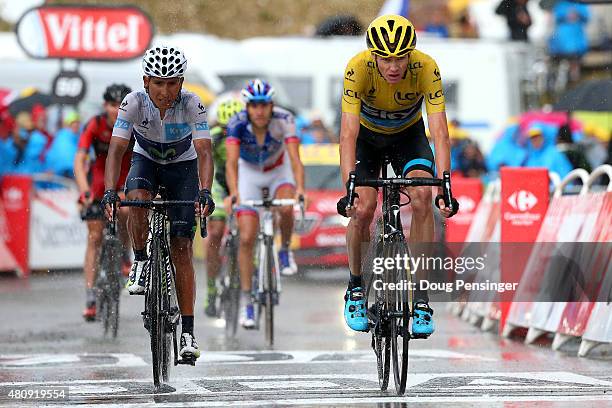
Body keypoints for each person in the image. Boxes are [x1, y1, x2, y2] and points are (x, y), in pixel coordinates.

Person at [336, 15, 455, 336]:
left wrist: (445, 182)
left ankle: (420, 297)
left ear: (410, 54)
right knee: (362, 208)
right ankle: (356, 287)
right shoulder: (357, 68)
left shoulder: (426, 67)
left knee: (421, 196)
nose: (393, 66)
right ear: (373, 56)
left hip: (408, 136)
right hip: (366, 139)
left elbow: (440, 132)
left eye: (400, 57)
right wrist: (349, 186)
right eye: (385, 58)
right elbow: (347, 134)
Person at [102, 46, 215, 362]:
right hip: (146, 162)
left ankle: (188, 333)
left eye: (172, 83)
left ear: (181, 82)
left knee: (181, 246)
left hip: (184, 168)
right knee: (136, 200)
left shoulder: (193, 104)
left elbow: (205, 152)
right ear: (146, 81)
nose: (166, 91)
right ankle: (140, 259)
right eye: (158, 83)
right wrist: (111, 190)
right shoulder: (133, 103)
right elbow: (116, 150)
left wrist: (205, 191)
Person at [225, 79, 306, 329]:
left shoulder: (285, 120)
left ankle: (284, 251)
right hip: (248, 173)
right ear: (247, 107)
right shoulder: (236, 123)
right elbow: (230, 163)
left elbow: (295, 159)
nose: (259, 111)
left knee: (285, 205)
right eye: (254, 106)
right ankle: (248, 302)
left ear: (272, 105)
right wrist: (235, 192)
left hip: (277, 170)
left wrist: (300, 189)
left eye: (264, 105)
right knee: (247, 237)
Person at [74, 84, 133, 321]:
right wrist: (84, 191)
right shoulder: (95, 124)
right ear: (104, 106)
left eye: (122, 105)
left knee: (128, 210)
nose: (117, 110)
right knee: (95, 237)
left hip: (125, 180)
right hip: (98, 184)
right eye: (112, 105)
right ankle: (90, 295)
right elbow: (79, 161)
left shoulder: (137, 125)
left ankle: (126, 254)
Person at [203, 97, 245, 317]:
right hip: (220, 184)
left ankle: (250, 272)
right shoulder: (214, 137)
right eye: (225, 128)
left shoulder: (248, 135)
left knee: (247, 230)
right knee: (216, 233)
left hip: (243, 183)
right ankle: (211, 289)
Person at [548, 0, 590, 83]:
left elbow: (587, 16)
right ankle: (567, 82)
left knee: (574, 63)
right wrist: (567, 15)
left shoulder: (579, 4)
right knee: (564, 66)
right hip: (563, 44)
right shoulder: (561, 4)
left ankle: (574, 81)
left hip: (576, 42)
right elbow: (556, 16)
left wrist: (578, 14)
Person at [45, 111, 81, 178]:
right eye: (73, 123)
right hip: (62, 172)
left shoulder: (78, 137)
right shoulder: (62, 137)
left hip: (71, 172)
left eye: (77, 123)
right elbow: (53, 153)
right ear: (68, 124)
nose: (76, 125)